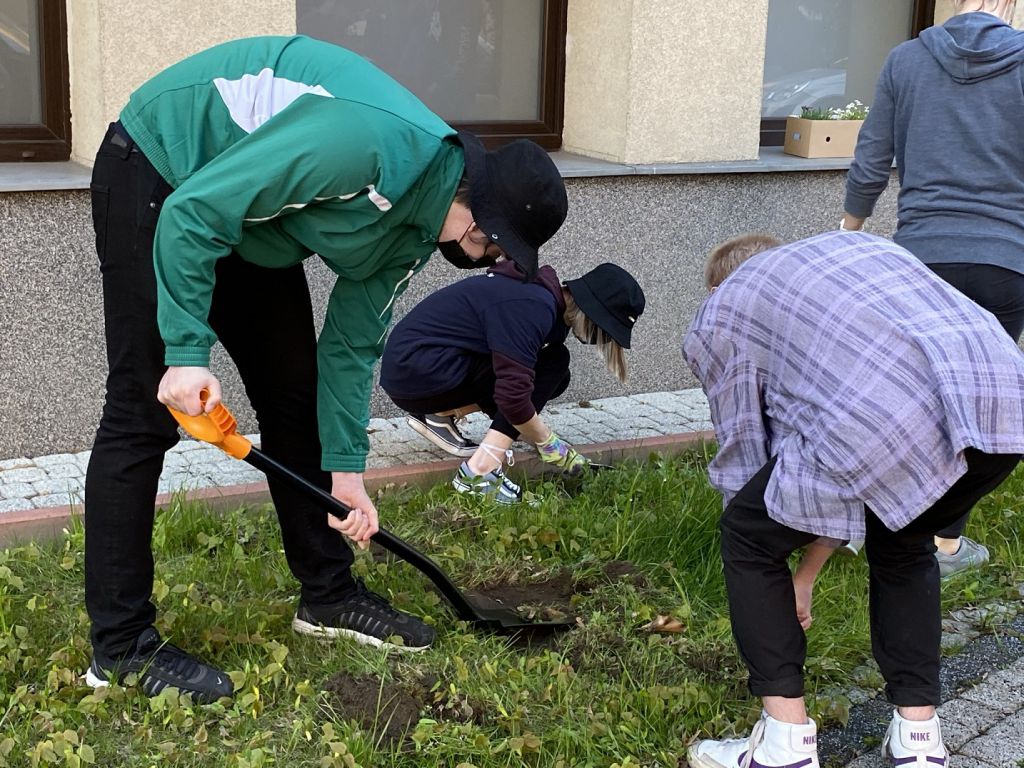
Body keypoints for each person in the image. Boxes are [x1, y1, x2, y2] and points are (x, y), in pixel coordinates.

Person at [84, 35, 568, 702]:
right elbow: (193, 214)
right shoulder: (365, 147)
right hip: (163, 166)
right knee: (143, 412)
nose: (486, 261)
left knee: (293, 395)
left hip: (247, 218)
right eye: (492, 247)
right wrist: (186, 355)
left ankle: (328, 594)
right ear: (475, 213)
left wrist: (347, 476)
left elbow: (349, 348)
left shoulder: (415, 230)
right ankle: (119, 647)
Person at [683, 231, 1024, 768]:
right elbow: (829, 464)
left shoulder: (725, 306)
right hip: (1002, 401)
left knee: (748, 537)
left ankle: (784, 746)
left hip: (895, 413)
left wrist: (769, 558)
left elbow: (747, 447)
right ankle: (919, 743)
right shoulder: (852, 254)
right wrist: (805, 576)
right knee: (905, 545)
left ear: (715, 286)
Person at [841, 0, 1024, 577]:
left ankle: (871, 521)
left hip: (920, 261)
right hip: (1005, 262)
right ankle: (943, 543)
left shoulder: (906, 59)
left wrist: (850, 231)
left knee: (907, 397)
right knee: (979, 404)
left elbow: (872, 154)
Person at [380, 262, 645, 503]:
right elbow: (512, 399)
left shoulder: (548, 307)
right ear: (592, 312)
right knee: (547, 368)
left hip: (420, 370)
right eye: (604, 331)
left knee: (553, 373)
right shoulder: (534, 306)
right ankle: (479, 472)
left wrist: (529, 430)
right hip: (416, 370)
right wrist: (551, 445)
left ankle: (440, 414)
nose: (600, 340)